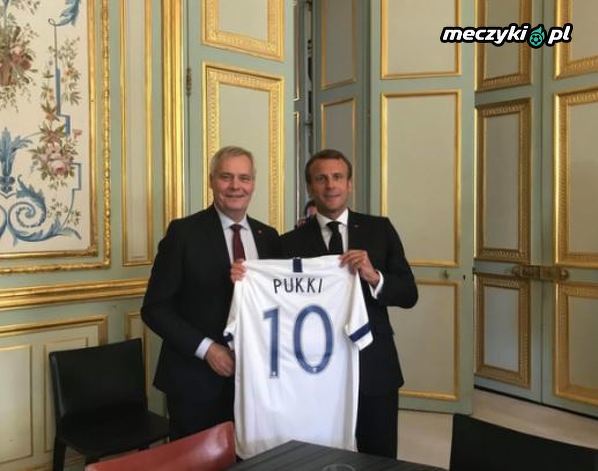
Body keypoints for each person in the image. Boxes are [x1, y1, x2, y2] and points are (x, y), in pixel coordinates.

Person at [280, 148, 418, 458]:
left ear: (349, 184)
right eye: (321, 179)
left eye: (338, 177)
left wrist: (374, 277)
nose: (331, 185)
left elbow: (409, 293)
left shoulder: (380, 229)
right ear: (309, 187)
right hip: (313, 369)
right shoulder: (288, 243)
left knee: (379, 455)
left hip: (374, 363)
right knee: (317, 454)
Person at [141, 146, 280, 440]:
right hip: (196, 382)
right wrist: (208, 350)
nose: (235, 186)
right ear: (211, 181)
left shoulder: (268, 237)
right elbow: (155, 309)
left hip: (255, 381)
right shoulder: (183, 233)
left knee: (251, 458)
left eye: (244, 178)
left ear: (253, 183)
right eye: (226, 177)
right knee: (197, 460)